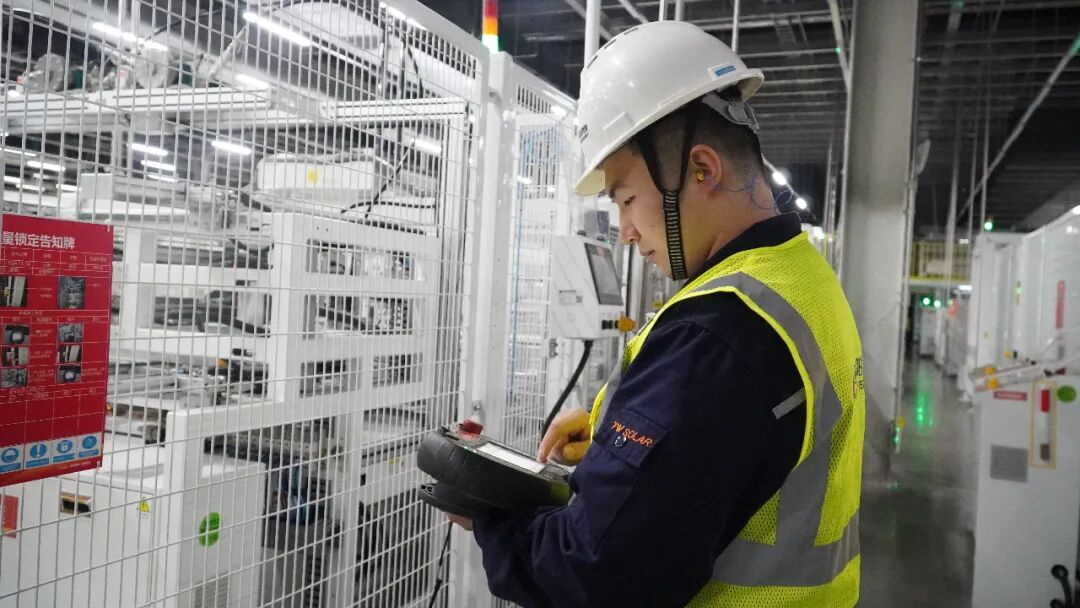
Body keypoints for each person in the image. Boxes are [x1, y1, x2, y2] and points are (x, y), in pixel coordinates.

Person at [449, 20, 865, 607]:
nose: (624, 230)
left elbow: (600, 573)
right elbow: (731, 441)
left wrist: (493, 520)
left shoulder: (718, 333)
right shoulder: (800, 277)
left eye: (626, 198)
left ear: (702, 169)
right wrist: (616, 428)